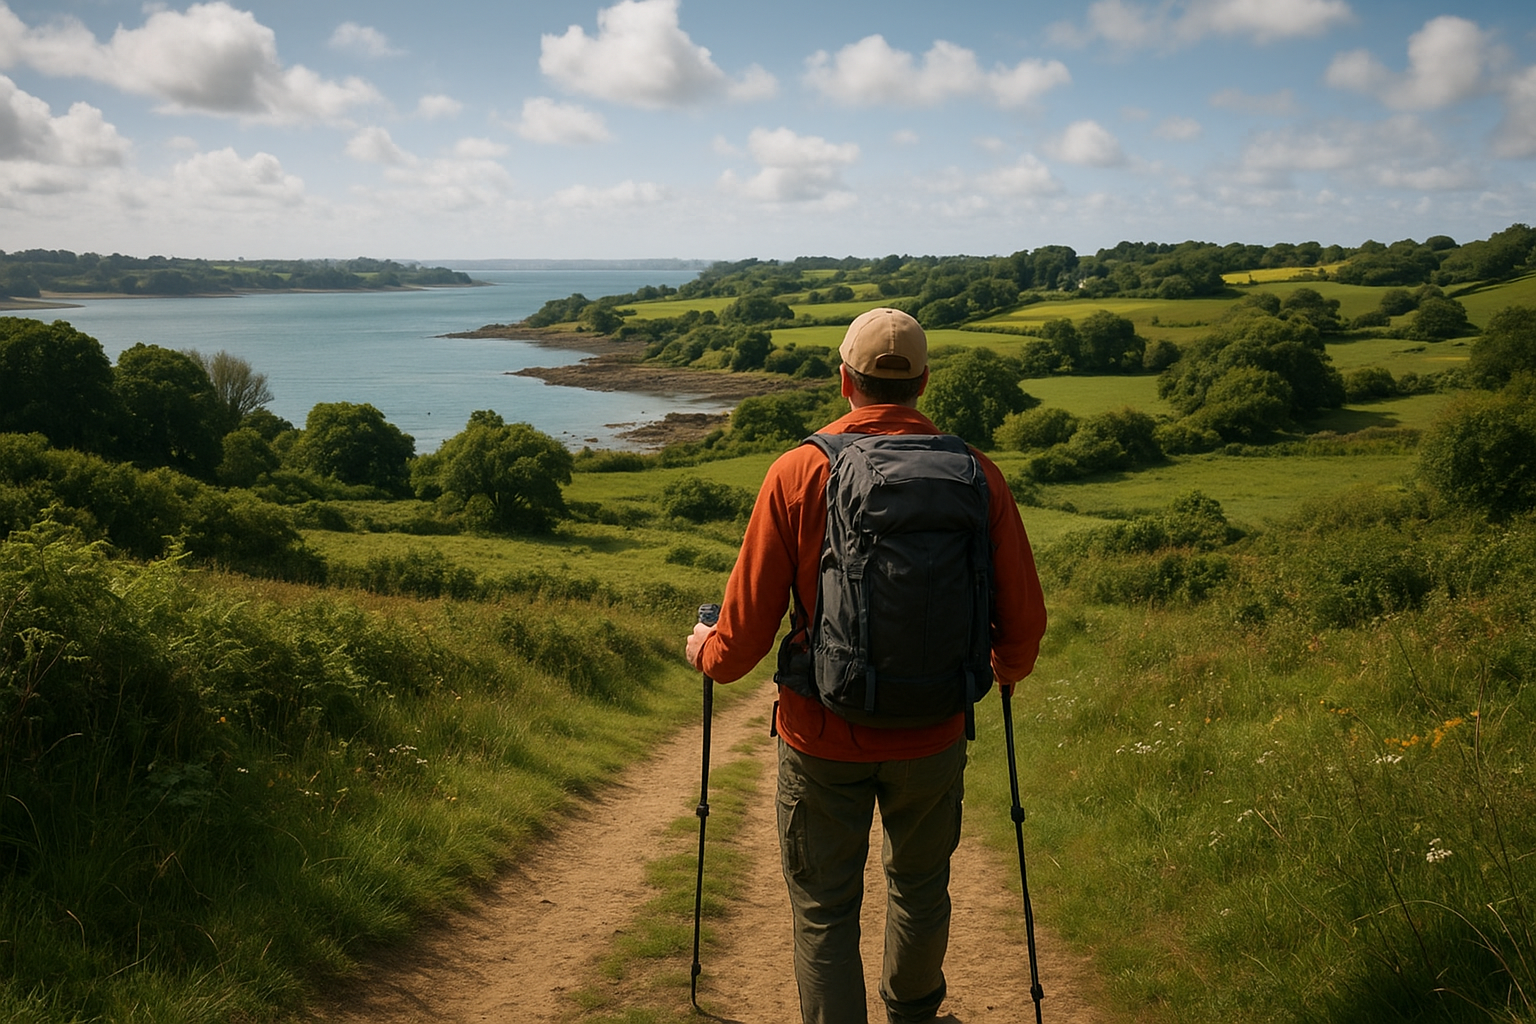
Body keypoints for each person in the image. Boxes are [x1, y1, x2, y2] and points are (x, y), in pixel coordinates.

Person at [685, 307, 1048, 1024]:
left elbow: (741, 639)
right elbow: (1024, 623)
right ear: (924, 381)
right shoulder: (977, 474)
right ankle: (913, 1016)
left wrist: (705, 650)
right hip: (935, 729)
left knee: (824, 907)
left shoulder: (799, 471)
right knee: (921, 887)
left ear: (844, 379)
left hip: (822, 733)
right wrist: (1004, 669)